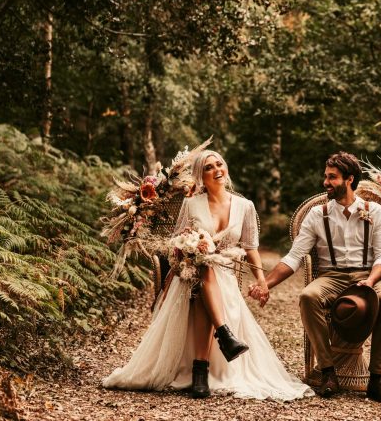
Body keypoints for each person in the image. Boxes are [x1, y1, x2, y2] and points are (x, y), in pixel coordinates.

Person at [103, 150, 312, 401]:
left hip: (224, 275)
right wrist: (191, 247)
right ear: (202, 176)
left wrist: (260, 281)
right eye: (209, 168)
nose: (217, 170)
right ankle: (222, 337)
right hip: (190, 273)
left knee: (206, 277)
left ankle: (201, 368)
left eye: (219, 164)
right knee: (203, 269)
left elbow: (251, 248)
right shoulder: (192, 204)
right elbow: (176, 244)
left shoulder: (245, 206)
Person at [250, 151, 381, 405]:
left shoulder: (374, 211)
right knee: (308, 295)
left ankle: (376, 379)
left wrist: (371, 282)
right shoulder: (317, 215)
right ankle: (328, 372)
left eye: (332, 177)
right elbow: (294, 257)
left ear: (349, 179)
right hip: (331, 276)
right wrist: (266, 284)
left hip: (368, 275)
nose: (326, 182)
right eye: (326, 177)